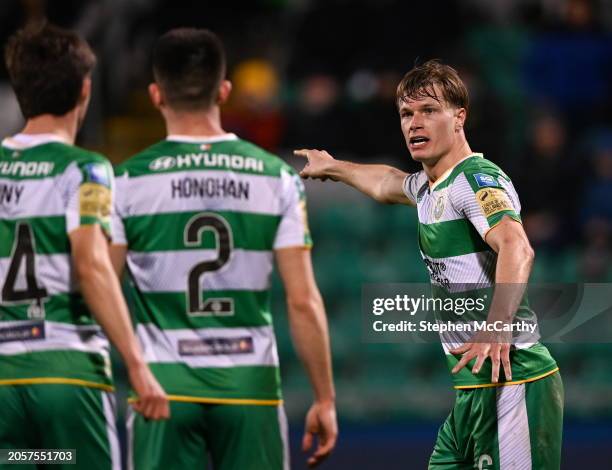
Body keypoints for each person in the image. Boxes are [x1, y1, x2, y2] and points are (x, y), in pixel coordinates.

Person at [296, 60, 563, 470]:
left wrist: (496, 326)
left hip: (514, 381)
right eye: (406, 113)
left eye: (429, 111)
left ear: (459, 117)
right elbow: (387, 182)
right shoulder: (429, 186)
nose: (414, 123)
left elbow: (517, 246)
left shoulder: (474, 179)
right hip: (473, 388)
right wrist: (334, 167)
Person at [109, 28, 337, 470]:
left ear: (156, 95)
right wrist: (324, 398)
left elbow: (102, 284)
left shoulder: (127, 181)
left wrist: (134, 365)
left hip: (163, 385)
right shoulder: (276, 177)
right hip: (248, 384)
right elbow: (303, 300)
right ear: (225, 90)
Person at [0, 22, 168, 469]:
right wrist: (136, 362)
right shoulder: (85, 170)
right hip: (65, 375)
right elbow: (93, 265)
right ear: (85, 90)